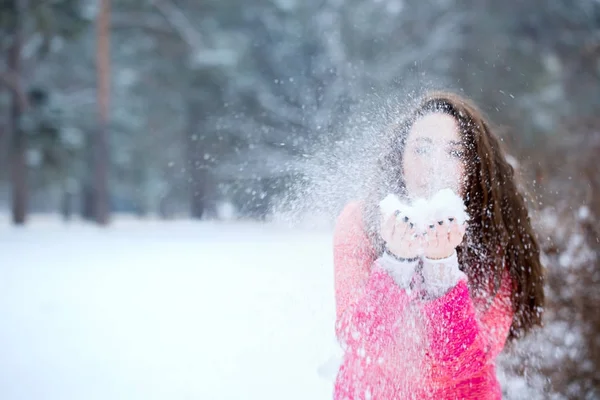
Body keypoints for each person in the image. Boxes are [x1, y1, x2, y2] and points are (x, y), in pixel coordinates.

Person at [332, 91, 545, 399]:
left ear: (474, 166)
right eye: (421, 149)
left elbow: (463, 363)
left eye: (455, 153)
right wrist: (396, 264)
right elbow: (360, 344)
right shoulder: (361, 221)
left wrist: (441, 268)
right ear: (400, 157)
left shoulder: (495, 232)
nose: (434, 165)